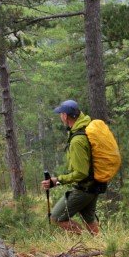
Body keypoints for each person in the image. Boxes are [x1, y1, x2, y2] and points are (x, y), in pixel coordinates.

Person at [40, 99, 102, 235]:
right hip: (93, 186)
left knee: (56, 218)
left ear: (65, 116)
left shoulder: (77, 140)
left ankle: (83, 243)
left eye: (60, 114)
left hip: (84, 188)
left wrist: (57, 180)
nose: (60, 117)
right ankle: (101, 248)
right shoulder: (84, 129)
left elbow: (81, 173)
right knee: (89, 221)